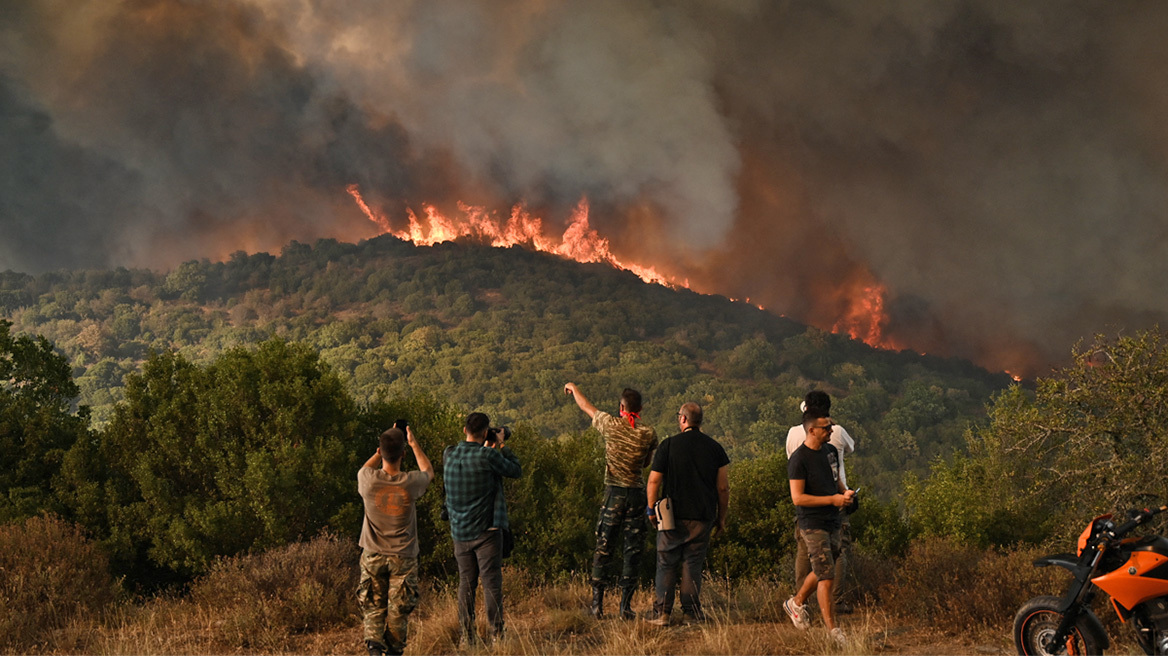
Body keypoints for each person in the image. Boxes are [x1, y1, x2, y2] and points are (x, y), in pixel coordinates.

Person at [564, 382, 659, 619]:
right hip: (636, 495)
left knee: (604, 548)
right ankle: (625, 608)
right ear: (641, 408)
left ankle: (597, 606)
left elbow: (586, 407)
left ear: (621, 407)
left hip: (614, 493)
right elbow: (647, 463)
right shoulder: (648, 433)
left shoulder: (610, 425)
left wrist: (574, 388)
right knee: (632, 550)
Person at [645, 402, 730, 625]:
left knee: (666, 562)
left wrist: (651, 509)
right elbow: (722, 488)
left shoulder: (669, 445)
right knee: (692, 564)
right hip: (702, 516)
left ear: (683, 419)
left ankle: (662, 613)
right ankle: (692, 613)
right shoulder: (715, 448)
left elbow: (654, 480)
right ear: (699, 421)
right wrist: (721, 518)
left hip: (671, 515)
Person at [443, 412, 522, 646]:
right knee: (491, 584)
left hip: (459, 531)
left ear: (464, 430)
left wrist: (488, 442)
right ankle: (497, 635)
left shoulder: (448, 454)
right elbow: (515, 470)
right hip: (486, 532)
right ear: (486, 432)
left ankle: (467, 637)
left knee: (466, 584)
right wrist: (501, 444)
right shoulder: (487, 456)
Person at [356, 425, 435, 656]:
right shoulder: (410, 482)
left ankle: (373, 646)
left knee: (373, 604)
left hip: (373, 553)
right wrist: (413, 442)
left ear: (380, 450)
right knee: (398, 610)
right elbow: (428, 471)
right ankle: (394, 651)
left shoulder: (367, 480)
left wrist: (379, 452)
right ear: (403, 454)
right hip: (403, 555)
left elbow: (364, 467)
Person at [784, 406, 855, 645]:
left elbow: (835, 480)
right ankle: (834, 632)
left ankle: (796, 602)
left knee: (828, 566)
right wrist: (833, 500)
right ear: (812, 430)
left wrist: (845, 493)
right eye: (826, 427)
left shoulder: (831, 451)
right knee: (826, 575)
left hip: (833, 518)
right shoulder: (799, 460)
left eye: (831, 426)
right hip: (812, 522)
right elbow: (798, 497)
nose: (831, 430)